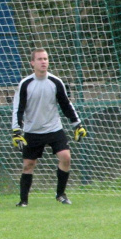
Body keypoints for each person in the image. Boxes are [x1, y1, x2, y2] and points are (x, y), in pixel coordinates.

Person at [11, 48, 87, 207]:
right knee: (28, 165)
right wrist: (17, 131)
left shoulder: (55, 82)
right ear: (32, 63)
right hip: (32, 131)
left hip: (54, 129)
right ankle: (23, 201)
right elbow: (18, 109)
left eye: (45, 59)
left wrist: (77, 124)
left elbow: (66, 105)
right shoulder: (25, 84)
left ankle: (61, 194)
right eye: (39, 59)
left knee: (66, 157)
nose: (43, 62)